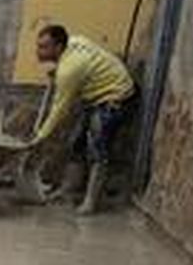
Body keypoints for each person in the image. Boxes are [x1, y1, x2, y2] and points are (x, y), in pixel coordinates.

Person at [30, 25, 136, 215]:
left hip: (116, 96)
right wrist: (60, 69)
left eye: (44, 47)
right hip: (99, 91)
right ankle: (69, 190)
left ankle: (90, 202)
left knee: (97, 148)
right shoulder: (73, 44)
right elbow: (88, 61)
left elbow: (59, 109)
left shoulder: (69, 70)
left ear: (59, 47)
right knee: (76, 142)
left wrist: (40, 136)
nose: (38, 51)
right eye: (39, 46)